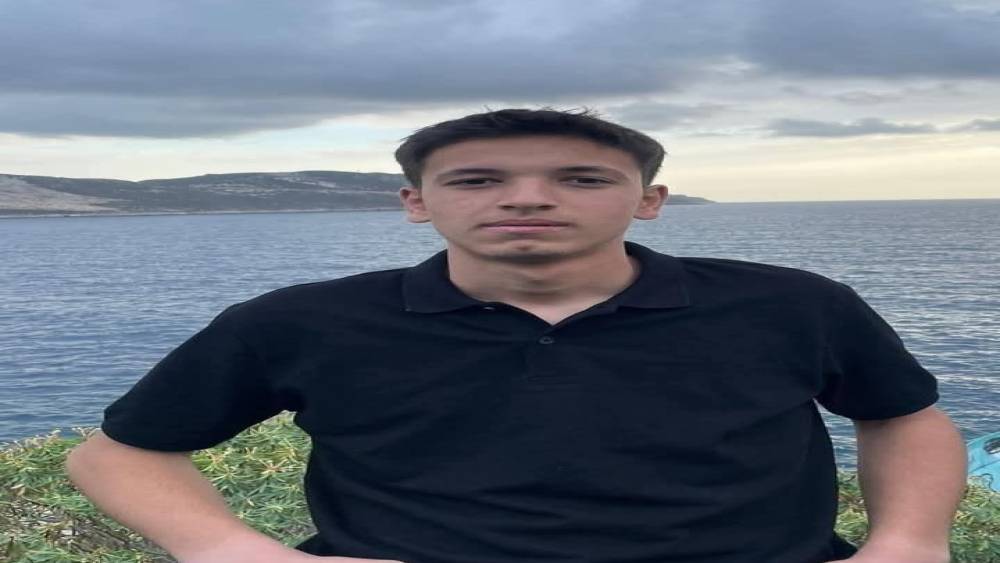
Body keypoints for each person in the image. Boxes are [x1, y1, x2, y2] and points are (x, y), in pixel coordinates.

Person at [65, 108, 967, 563]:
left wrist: (909, 542)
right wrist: (228, 548)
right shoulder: (300, 322)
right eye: (477, 180)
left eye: (580, 178)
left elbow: (903, 416)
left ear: (649, 200)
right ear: (416, 203)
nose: (528, 198)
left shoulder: (791, 304)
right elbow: (119, 453)